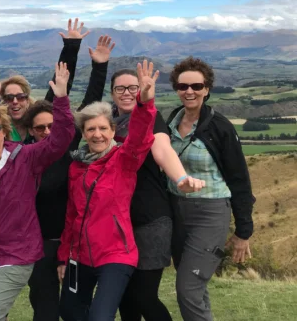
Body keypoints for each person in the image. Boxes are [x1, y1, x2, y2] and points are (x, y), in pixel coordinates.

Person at [0, 62, 76, 321]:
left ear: (4, 130)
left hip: (17, 254)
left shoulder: (24, 157)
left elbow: (60, 139)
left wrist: (61, 98)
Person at [21, 34, 116, 321]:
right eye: (39, 129)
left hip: (72, 242)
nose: (47, 132)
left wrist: (96, 64)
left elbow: (78, 96)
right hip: (37, 243)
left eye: (51, 126)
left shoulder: (71, 144)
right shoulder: (27, 157)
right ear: (30, 131)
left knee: (75, 308)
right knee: (44, 305)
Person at [57, 61, 159, 321]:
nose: (97, 134)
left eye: (103, 128)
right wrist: (63, 258)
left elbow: (140, 137)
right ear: (84, 133)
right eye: (91, 129)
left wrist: (144, 103)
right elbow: (72, 214)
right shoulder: (76, 167)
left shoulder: (124, 159)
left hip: (115, 256)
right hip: (79, 257)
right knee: (69, 313)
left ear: (113, 130)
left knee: (100, 317)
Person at [102, 69, 205, 321]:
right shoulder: (106, 122)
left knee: (144, 296)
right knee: (124, 296)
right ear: (112, 93)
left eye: (133, 88)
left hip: (150, 219)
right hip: (118, 222)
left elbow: (162, 149)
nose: (127, 93)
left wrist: (180, 178)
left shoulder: (151, 118)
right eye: (120, 88)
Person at [166, 57, 255, 321]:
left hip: (210, 213)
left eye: (196, 85)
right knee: (195, 286)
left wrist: (243, 232)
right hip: (176, 212)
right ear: (176, 89)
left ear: (207, 89)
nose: (189, 91)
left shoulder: (220, 127)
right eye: (183, 86)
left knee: (188, 287)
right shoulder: (172, 119)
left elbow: (240, 181)